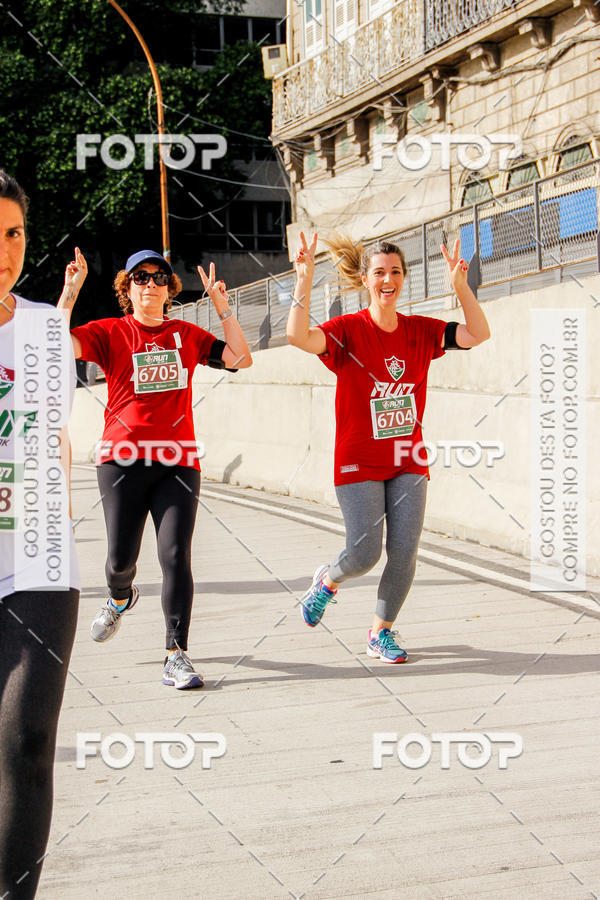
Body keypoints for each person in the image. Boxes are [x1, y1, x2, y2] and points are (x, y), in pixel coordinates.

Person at [287, 231, 490, 662]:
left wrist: (459, 287)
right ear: (365, 280)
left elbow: (477, 333)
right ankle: (328, 581)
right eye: (379, 272)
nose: (388, 280)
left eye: (395, 272)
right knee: (363, 554)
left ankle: (381, 631)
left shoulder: (421, 331)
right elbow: (298, 338)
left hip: (408, 458)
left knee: (403, 553)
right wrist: (303, 281)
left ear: (403, 279)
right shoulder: (346, 332)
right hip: (358, 459)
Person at [58, 249, 252, 689]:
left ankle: (176, 653)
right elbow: (54, 342)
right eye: (140, 278)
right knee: (118, 561)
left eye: (159, 277)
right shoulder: (110, 332)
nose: (151, 284)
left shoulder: (186, 334)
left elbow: (241, 358)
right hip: (121, 461)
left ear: (169, 289)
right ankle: (119, 598)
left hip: (177, 462)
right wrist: (70, 291)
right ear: (127, 289)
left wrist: (222, 307)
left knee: (175, 555)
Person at [0, 170, 81, 898]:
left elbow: (54, 441)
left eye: (14, 232)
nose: (4, 250)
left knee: (27, 744)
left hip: (38, 559)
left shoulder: (45, 331)